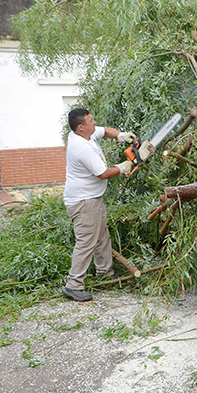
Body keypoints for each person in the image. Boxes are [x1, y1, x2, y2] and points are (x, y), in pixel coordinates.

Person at [62, 108, 137, 302]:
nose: (94, 122)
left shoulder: (83, 132)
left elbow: (104, 131)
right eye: (90, 121)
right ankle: (73, 284)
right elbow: (103, 173)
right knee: (86, 241)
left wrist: (122, 136)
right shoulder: (82, 147)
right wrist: (123, 167)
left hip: (92, 198)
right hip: (83, 201)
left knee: (102, 235)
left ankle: (105, 271)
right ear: (81, 127)